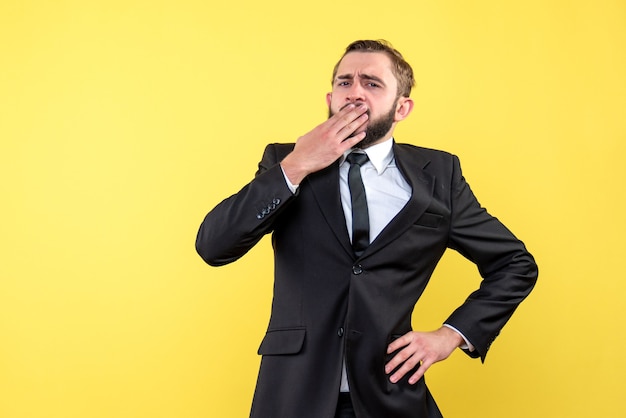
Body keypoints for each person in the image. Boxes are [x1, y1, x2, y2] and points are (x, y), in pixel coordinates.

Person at [195, 39, 538, 418]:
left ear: (401, 107)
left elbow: (515, 263)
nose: (354, 92)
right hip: (293, 396)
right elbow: (214, 245)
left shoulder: (439, 175)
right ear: (330, 97)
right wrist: (297, 165)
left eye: (372, 84)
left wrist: (450, 335)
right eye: (345, 82)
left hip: (392, 396)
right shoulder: (285, 160)